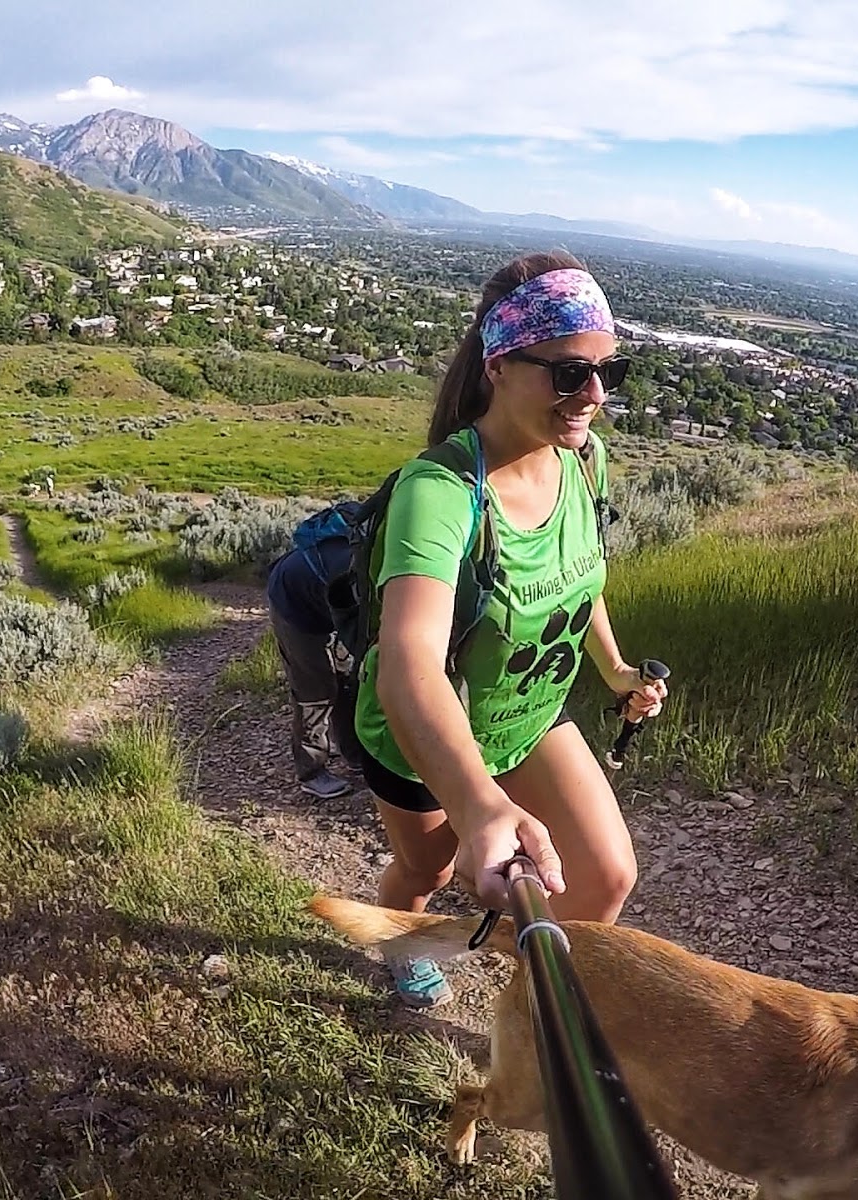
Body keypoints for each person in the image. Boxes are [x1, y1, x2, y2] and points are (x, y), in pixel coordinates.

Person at [349, 252, 667, 1009]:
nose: (593, 396)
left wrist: (616, 670)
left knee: (607, 875)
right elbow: (410, 664)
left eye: (608, 373)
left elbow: (579, 576)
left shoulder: (584, 461)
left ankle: (532, 1017)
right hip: (422, 737)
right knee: (425, 872)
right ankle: (402, 937)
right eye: (568, 373)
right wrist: (480, 805)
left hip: (528, 715)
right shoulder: (441, 491)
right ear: (499, 363)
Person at [266, 536, 362, 799]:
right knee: (315, 689)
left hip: (327, 600)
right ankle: (311, 772)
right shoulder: (364, 573)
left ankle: (354, 754)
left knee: (348, 677)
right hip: (293, 604)